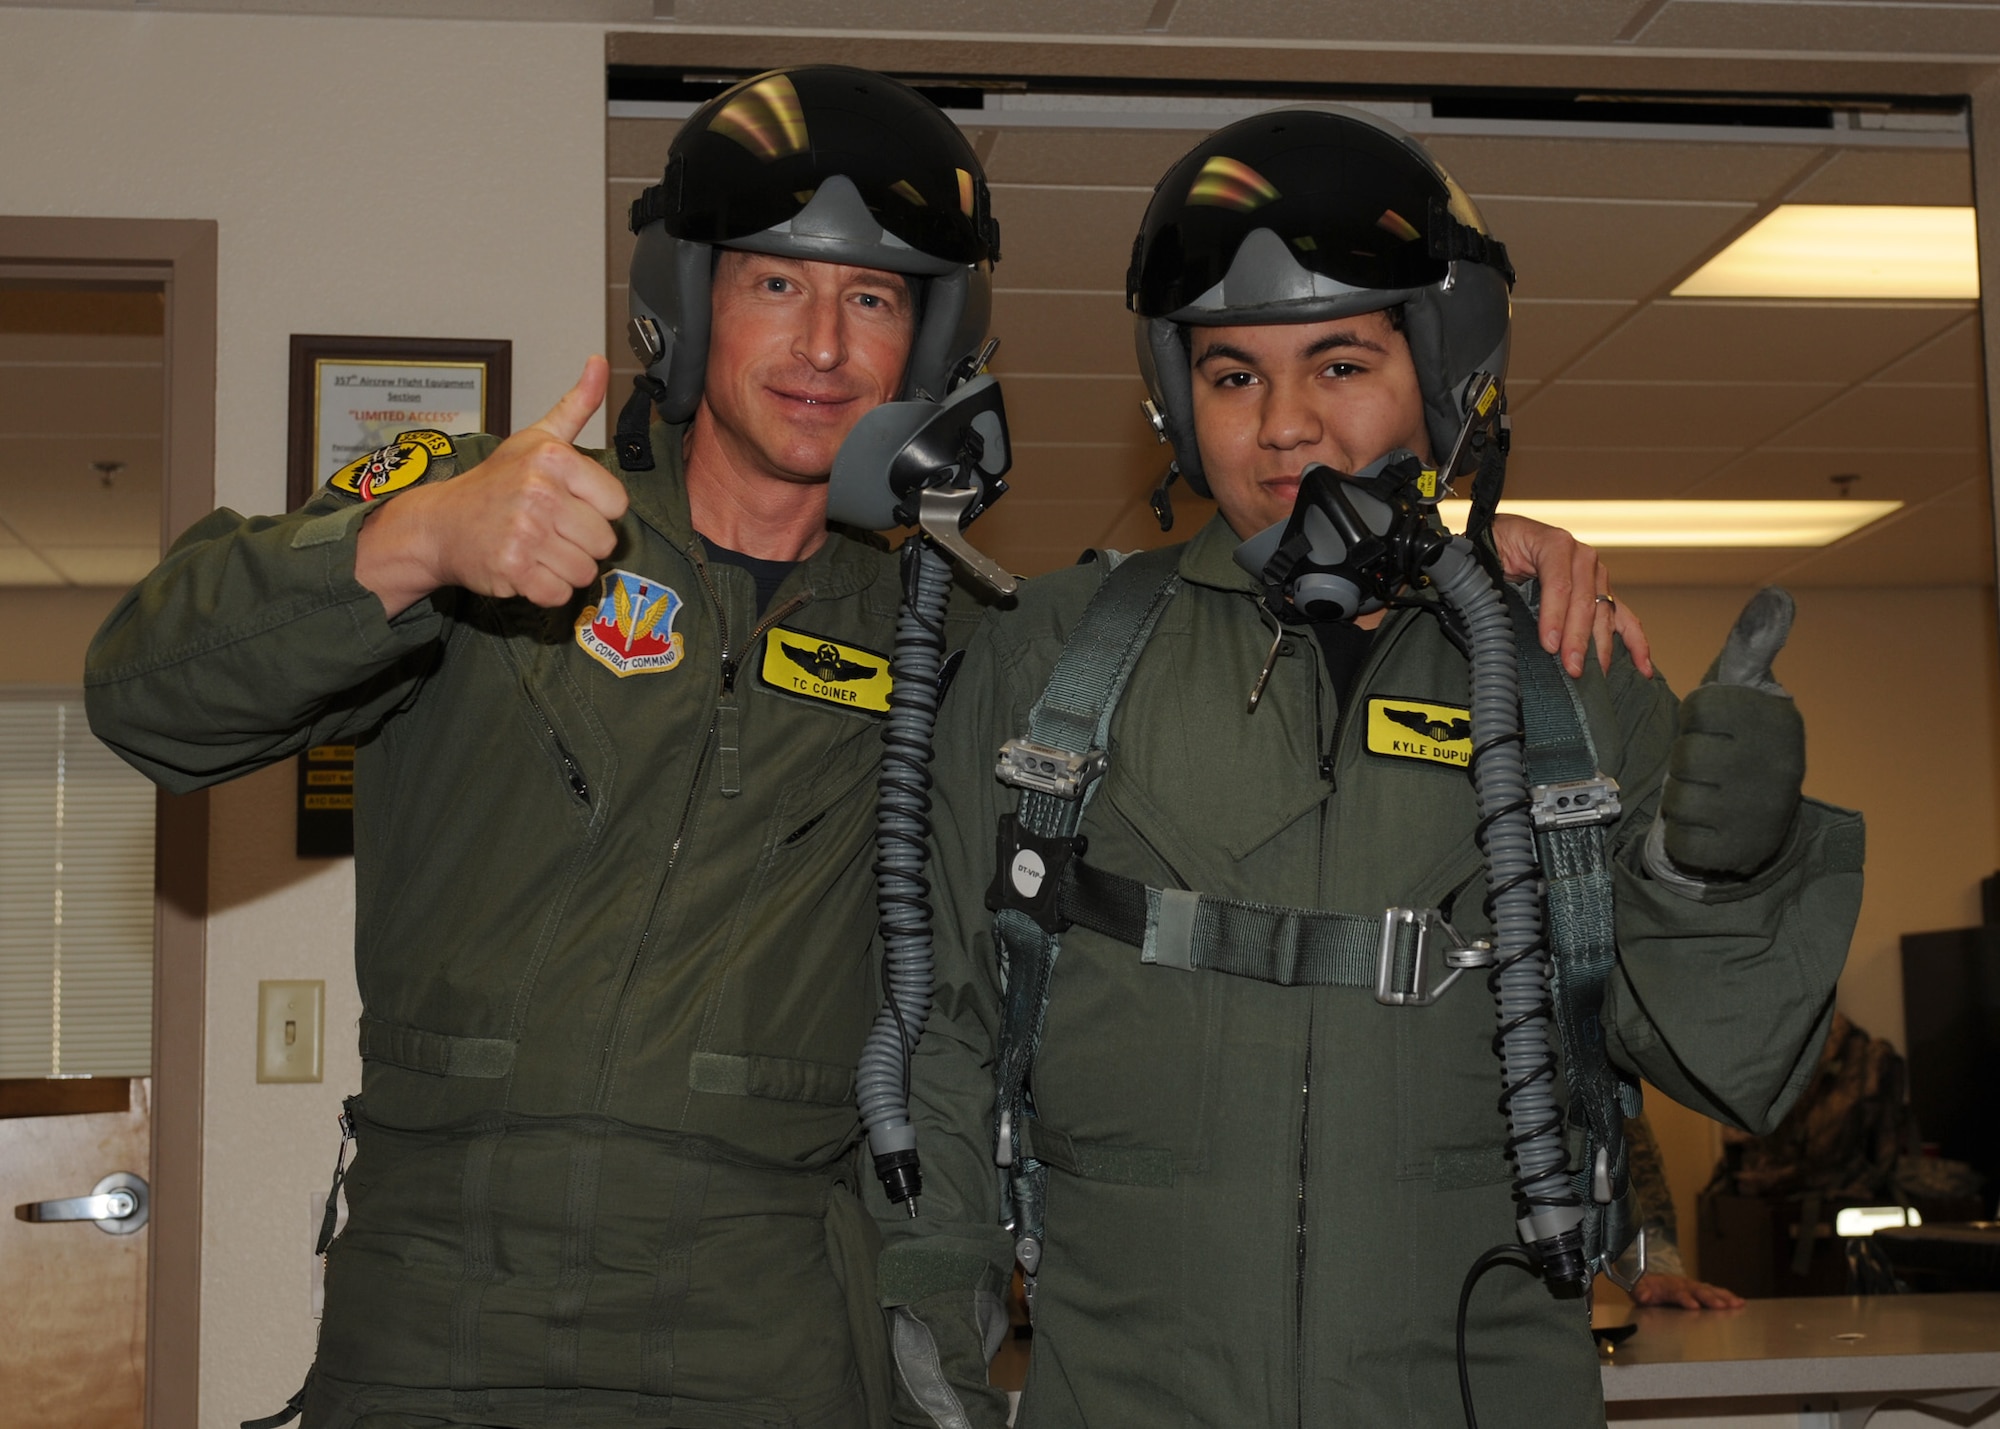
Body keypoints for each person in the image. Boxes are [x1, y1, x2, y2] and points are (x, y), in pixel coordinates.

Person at [87, 70, 1653, 1429]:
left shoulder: (973, 640)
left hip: (777, 1337)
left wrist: (1455, 558)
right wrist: (409, 540)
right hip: (441, 1321)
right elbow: (147, 694)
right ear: (693, 296)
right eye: (778, 281)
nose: (825, 340)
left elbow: (1186, 743)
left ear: (933, 338)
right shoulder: (506, 518)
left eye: (877, 296)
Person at [876, 107, 1864, 1428]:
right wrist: (925, 1322)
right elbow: (943, 1035)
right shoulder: (1050, 662)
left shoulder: (1565, 676)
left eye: (1339, 363)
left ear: (1443, 376)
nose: (1285, 424)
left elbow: (1727, 1059)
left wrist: (1720, 871)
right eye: (1233, 376)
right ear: (1178, 399)